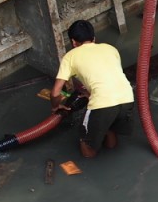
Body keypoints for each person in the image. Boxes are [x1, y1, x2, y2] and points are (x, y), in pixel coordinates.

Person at [51, 19, 135, 158]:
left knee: (86, 142)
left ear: (73, 42)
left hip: (102, 104)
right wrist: (90, 93)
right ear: (94, 38)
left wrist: (56, 106)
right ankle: (111, 157)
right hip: (127, 97)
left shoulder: (70, 57)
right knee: (109, 128)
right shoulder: (110, 49)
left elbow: (55, 92)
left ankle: (92, 162)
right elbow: (109, 78)